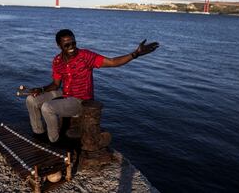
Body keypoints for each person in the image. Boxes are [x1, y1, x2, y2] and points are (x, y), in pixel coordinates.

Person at [26, 29, 159, 143]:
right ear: (59, 45)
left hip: (80, 100)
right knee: (31, 100)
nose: (71, 47)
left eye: (73, 43)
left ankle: (54, 141)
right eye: (67, 45)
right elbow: (55, 84)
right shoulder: (57, 60)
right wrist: (42, 89)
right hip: (65, 94)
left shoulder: (86, 56)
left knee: (47, 107)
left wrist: (135, 54)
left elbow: (113, 62)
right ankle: (38, 134)